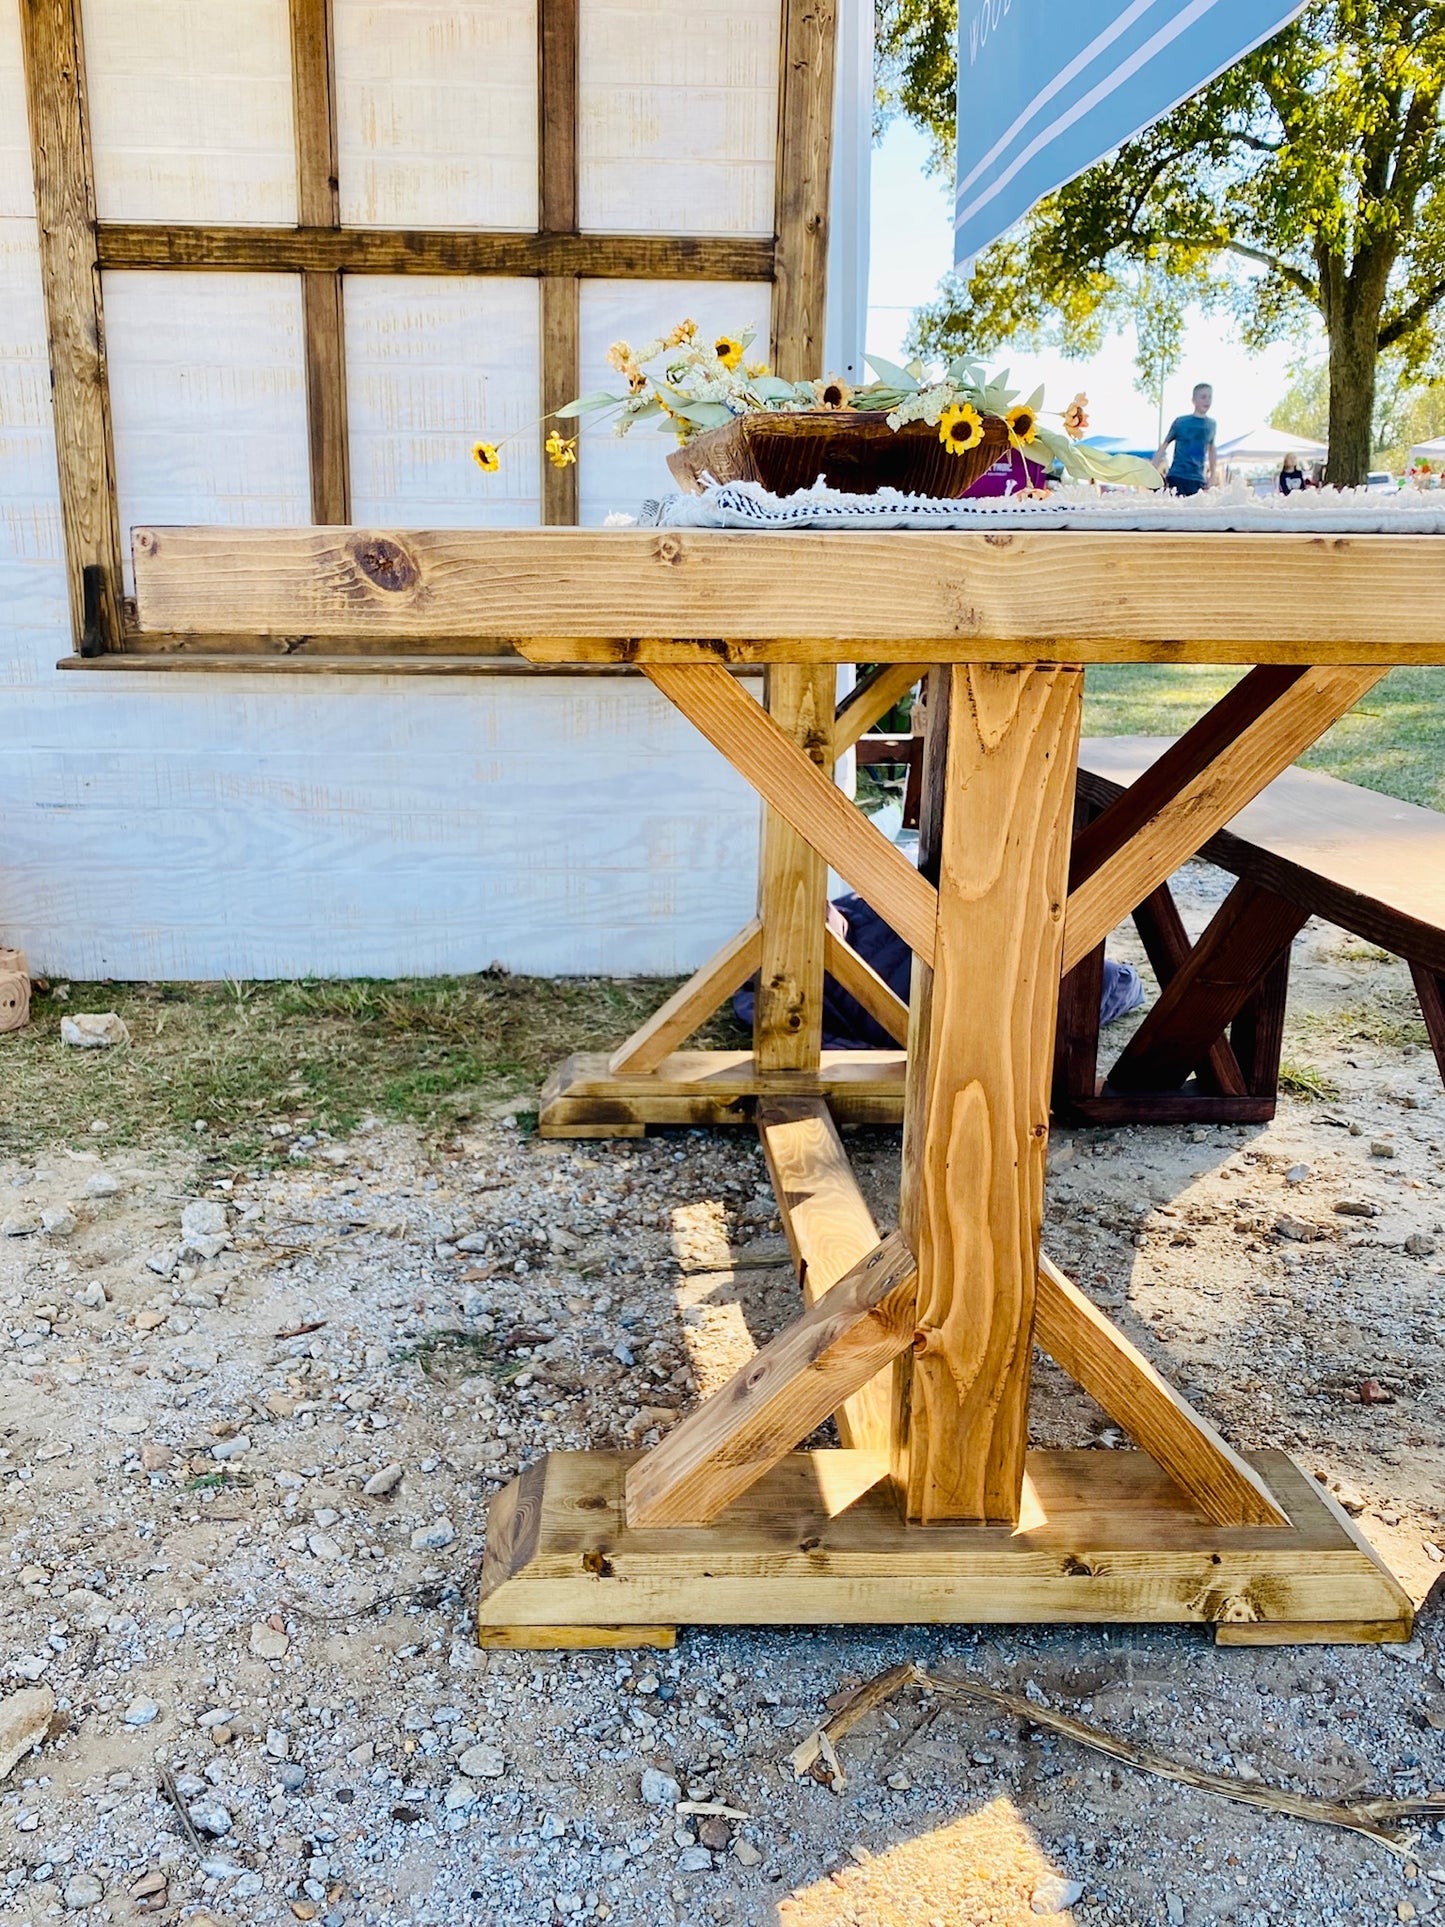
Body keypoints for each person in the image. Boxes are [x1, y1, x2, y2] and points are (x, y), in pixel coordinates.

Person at [1154, 383, 1218, 496]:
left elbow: (1212, 450)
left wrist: (1212, 475)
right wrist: (1153, 468)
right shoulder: (1181, 422)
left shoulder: (1211, 425)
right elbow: (1164, 445)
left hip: (1197, 478)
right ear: (1193, 400)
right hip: (1177, 475)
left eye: (1209, 397)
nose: (1207, 400)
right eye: (1203, 397)